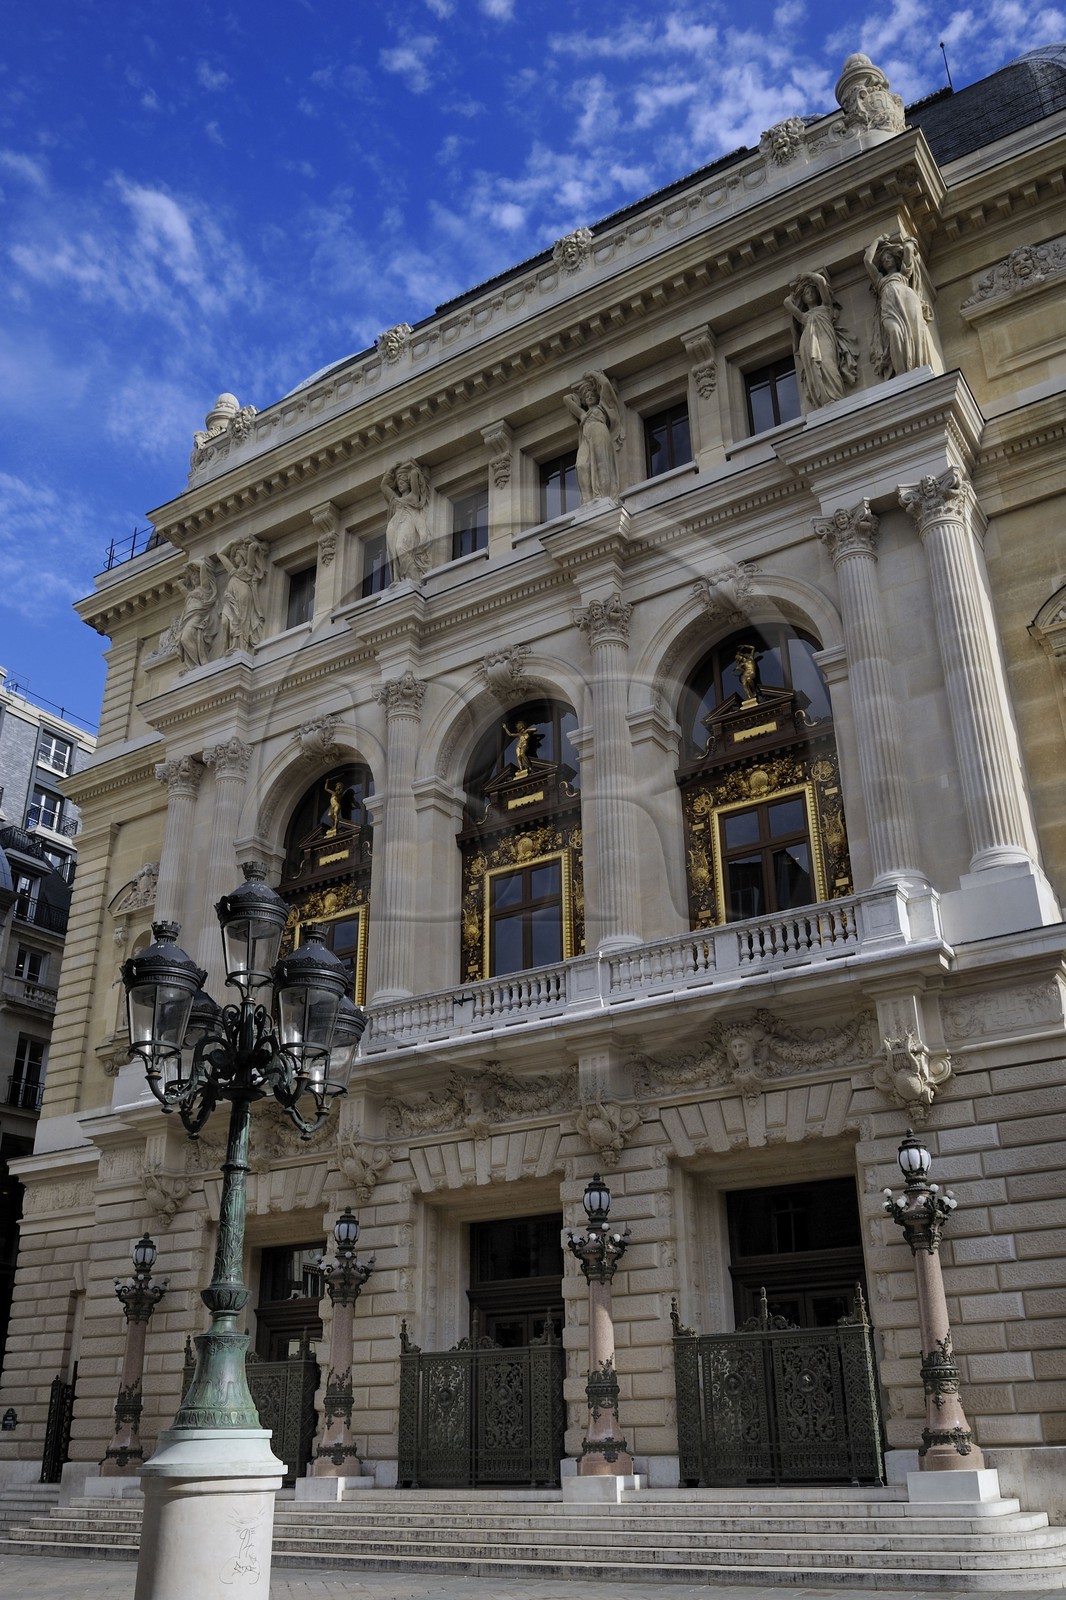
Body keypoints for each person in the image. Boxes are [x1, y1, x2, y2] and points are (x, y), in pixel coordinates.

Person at [865, 233, 937, 379]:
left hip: (908, 300)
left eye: (889, 257)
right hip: (889, 309)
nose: (886, 259)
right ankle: (901, 371)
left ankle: (915, 366)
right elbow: (867, 260)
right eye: (884, 259)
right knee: (894, 332)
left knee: (915, 332)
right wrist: (877, 241)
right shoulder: (879, 280)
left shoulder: (903, 274)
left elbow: (909, 252)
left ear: (895, 260)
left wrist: (909, 243)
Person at [784, 270, 856, 408]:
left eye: (812, 291)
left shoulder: (826, 307)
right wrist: (795, 295)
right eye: (806, 293)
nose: (809, 293)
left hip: (824, 340)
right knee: (814, 370)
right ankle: (824, 400)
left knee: (827, 363)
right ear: (803, 299)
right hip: (808, 343)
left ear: (817, 294)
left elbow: (821, 281)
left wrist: (807, 275)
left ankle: (835, 395)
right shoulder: (804, 317)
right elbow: (787, 303)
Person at [563, 371, 623, 503]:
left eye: (592, 394)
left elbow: (606, 385)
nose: (589, 397)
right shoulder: (583, 414)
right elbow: (566, 399)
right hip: (586, 436)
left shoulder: (602, 407)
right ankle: (587, 499)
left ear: (597, 397)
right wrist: (576, 396)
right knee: (581, 465)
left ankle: (603, 496)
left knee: (602, 463)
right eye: (586, 396)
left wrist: (594, 375)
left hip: (599, 432)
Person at [381, 460, 431, 581]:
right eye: (398, 482)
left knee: (401, 548)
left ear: (409, 482)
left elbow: (415, 485)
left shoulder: (413, 497)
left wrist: (413, 472)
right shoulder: (395, 499)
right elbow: (384, 486)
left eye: (403, 481)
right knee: (394, 554)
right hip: (394, 525)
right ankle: (401, 580)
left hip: (408, 520)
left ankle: (413, 578)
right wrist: (391, 470)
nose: (400, 484)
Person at [217, 537, 266, 654]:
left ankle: (240, 647)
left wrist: (252, 546)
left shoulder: (248, 569)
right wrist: (231, 542)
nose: (234, 558)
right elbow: (220, 554)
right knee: (225, 621)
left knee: (241, 619)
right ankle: (230, 646)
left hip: (243, 594)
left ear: (243, 556)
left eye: (236, 555)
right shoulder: (233, 571)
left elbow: (252, 548)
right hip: (231, 598)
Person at [174, 558, 218, 671]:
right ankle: (194, 665)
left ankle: (196, 665)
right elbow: (179, 584)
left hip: (198, 617)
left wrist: (193, 564)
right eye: (192, 578)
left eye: (196, 576)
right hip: (187, 619)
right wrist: (189, 573)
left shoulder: (205, 588)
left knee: (185, 638)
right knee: (185, 639)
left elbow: (203, 566)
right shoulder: (189, 594)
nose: (194, 579)